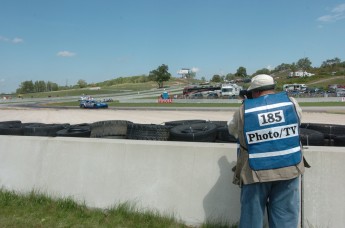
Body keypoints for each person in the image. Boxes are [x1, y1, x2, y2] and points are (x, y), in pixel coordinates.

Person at [228, 74, 309, 228]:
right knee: (285, 216)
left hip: (256, 171)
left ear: (256, 92)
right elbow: (297, 122)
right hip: (289, 166)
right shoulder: (291, 102)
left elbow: (233, 130)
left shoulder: (244, 109)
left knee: (252, 216)